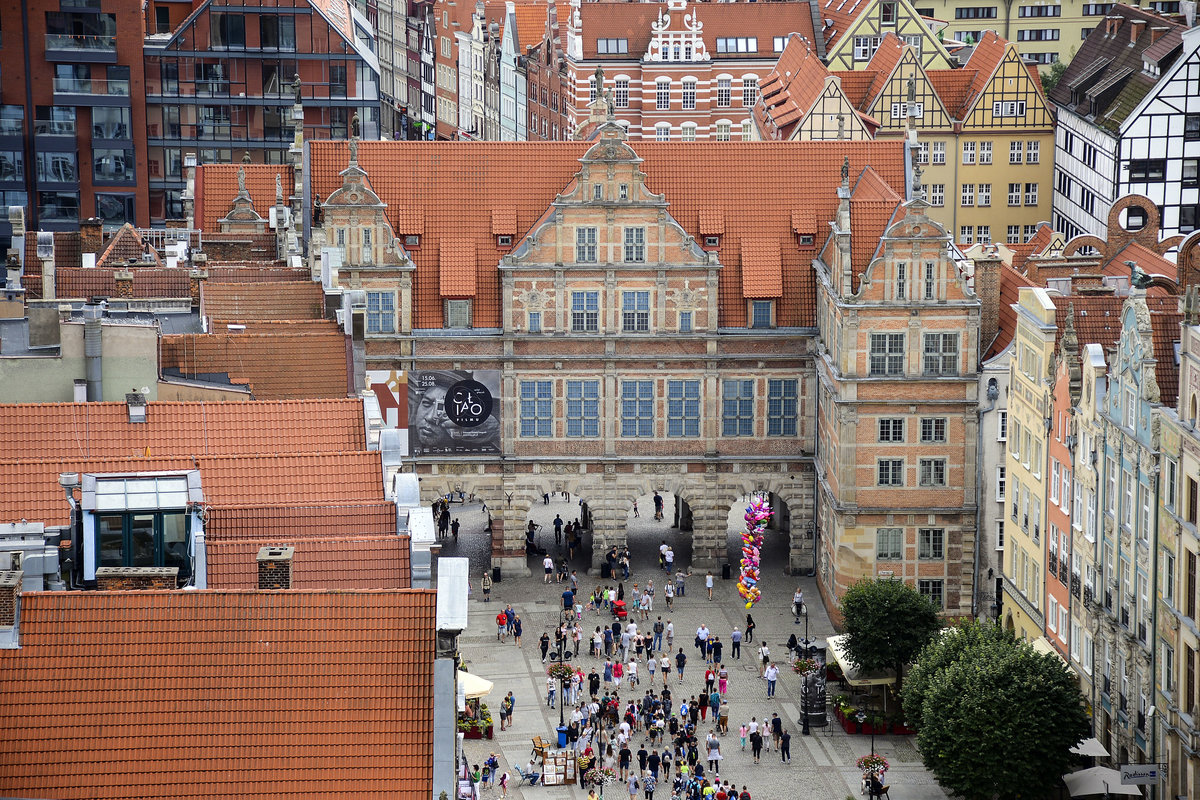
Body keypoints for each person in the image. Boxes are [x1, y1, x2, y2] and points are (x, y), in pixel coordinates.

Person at [409, 370, 500, 455]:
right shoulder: (403, 439)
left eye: (448, 408)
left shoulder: (481, 444)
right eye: (426, 403)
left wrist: (497, 433)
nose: (430, 417)